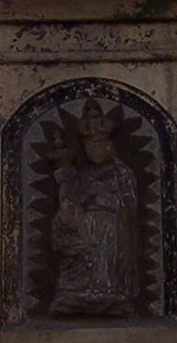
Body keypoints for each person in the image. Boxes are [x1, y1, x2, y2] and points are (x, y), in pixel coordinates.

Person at [48, 100, 139, 317]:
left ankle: (108, 290)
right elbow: (72, 199)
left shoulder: (122, 172)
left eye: (99, 145)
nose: (95, 150)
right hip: (85, 224)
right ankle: (74, 291)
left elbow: (129, 204)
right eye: (90, 146)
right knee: (65, 222)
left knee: (105, 230)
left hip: (111, 225)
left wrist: (106, 200)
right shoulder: (84, 174)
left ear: (109, 146)